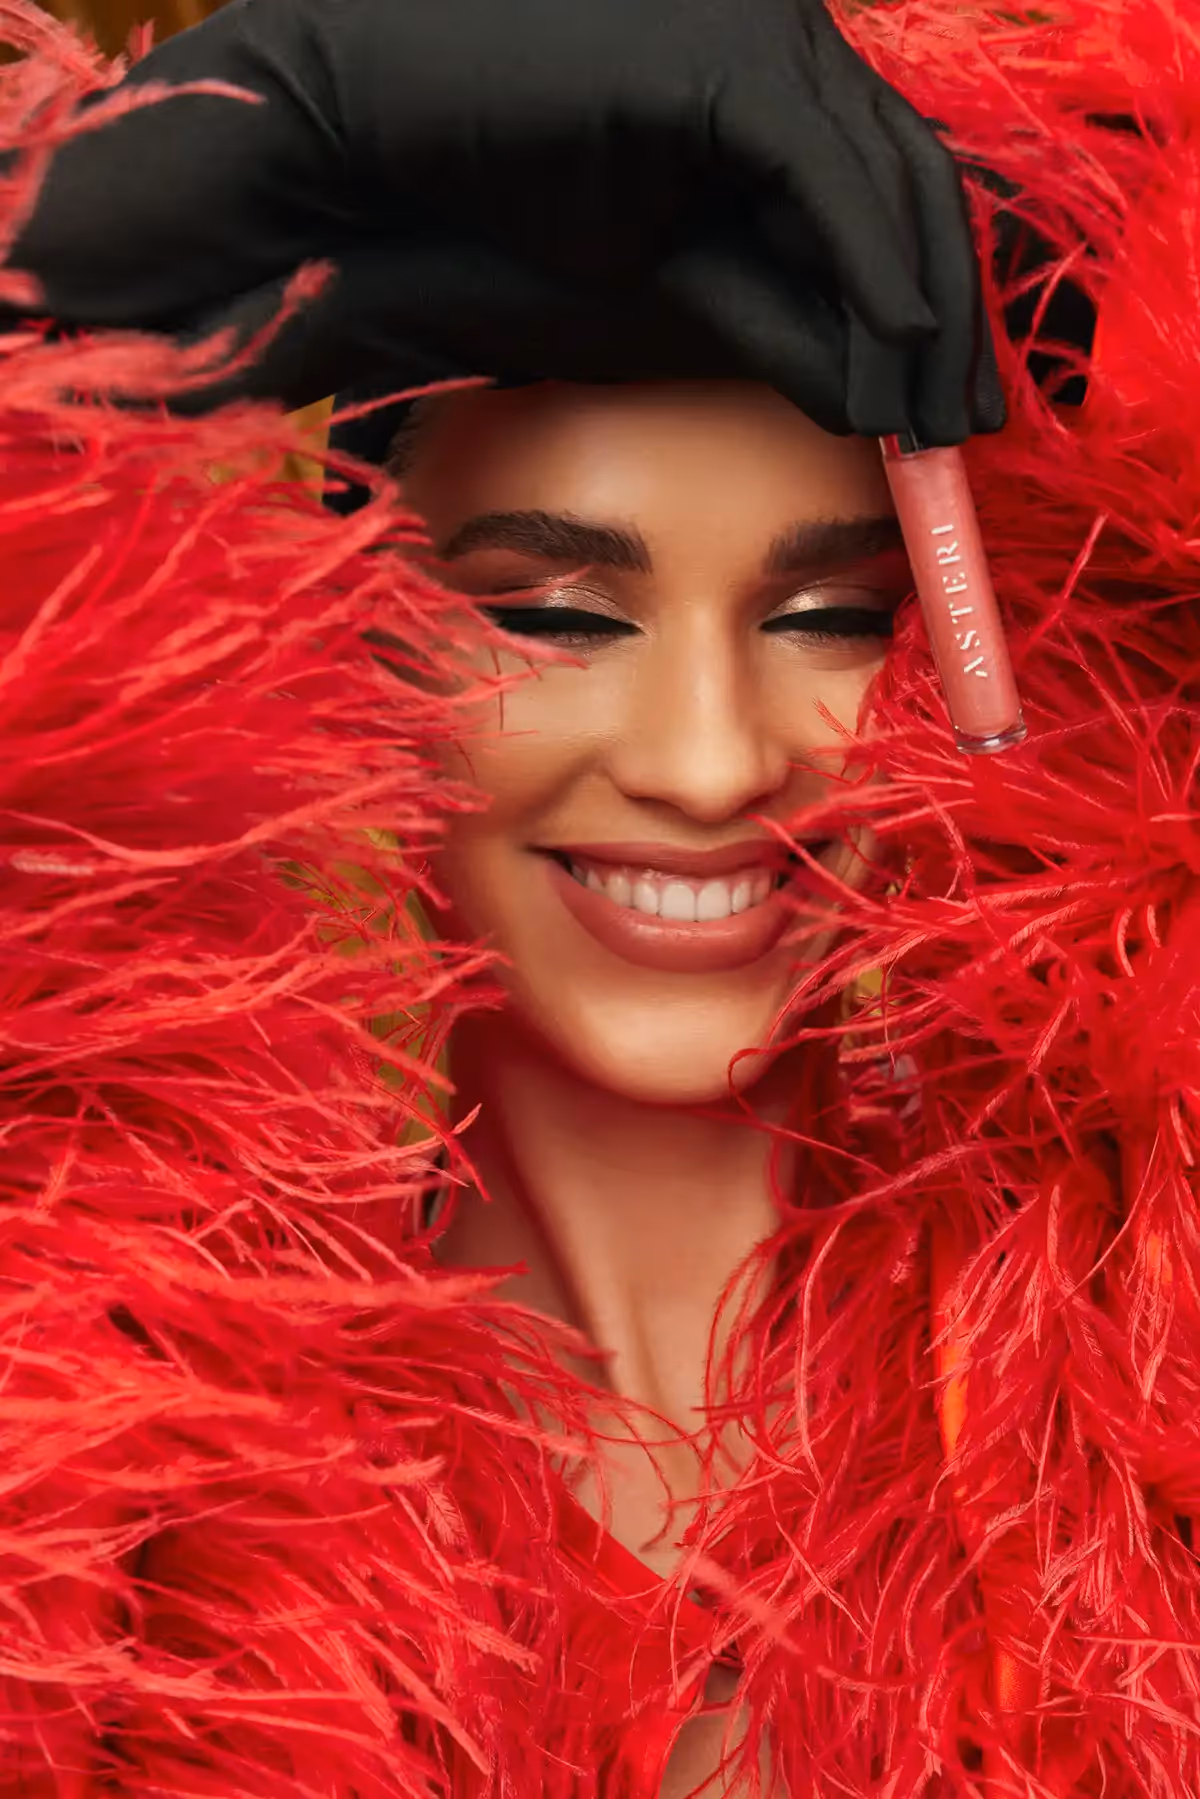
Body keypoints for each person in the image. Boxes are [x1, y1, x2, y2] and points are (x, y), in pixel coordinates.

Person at [1, 1, 1198, 1797]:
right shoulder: (104, 1440)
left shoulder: (1147, 1389)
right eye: (555, 616)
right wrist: (126, 216)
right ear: (343, 648)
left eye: (837, 618)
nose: (709, 765)